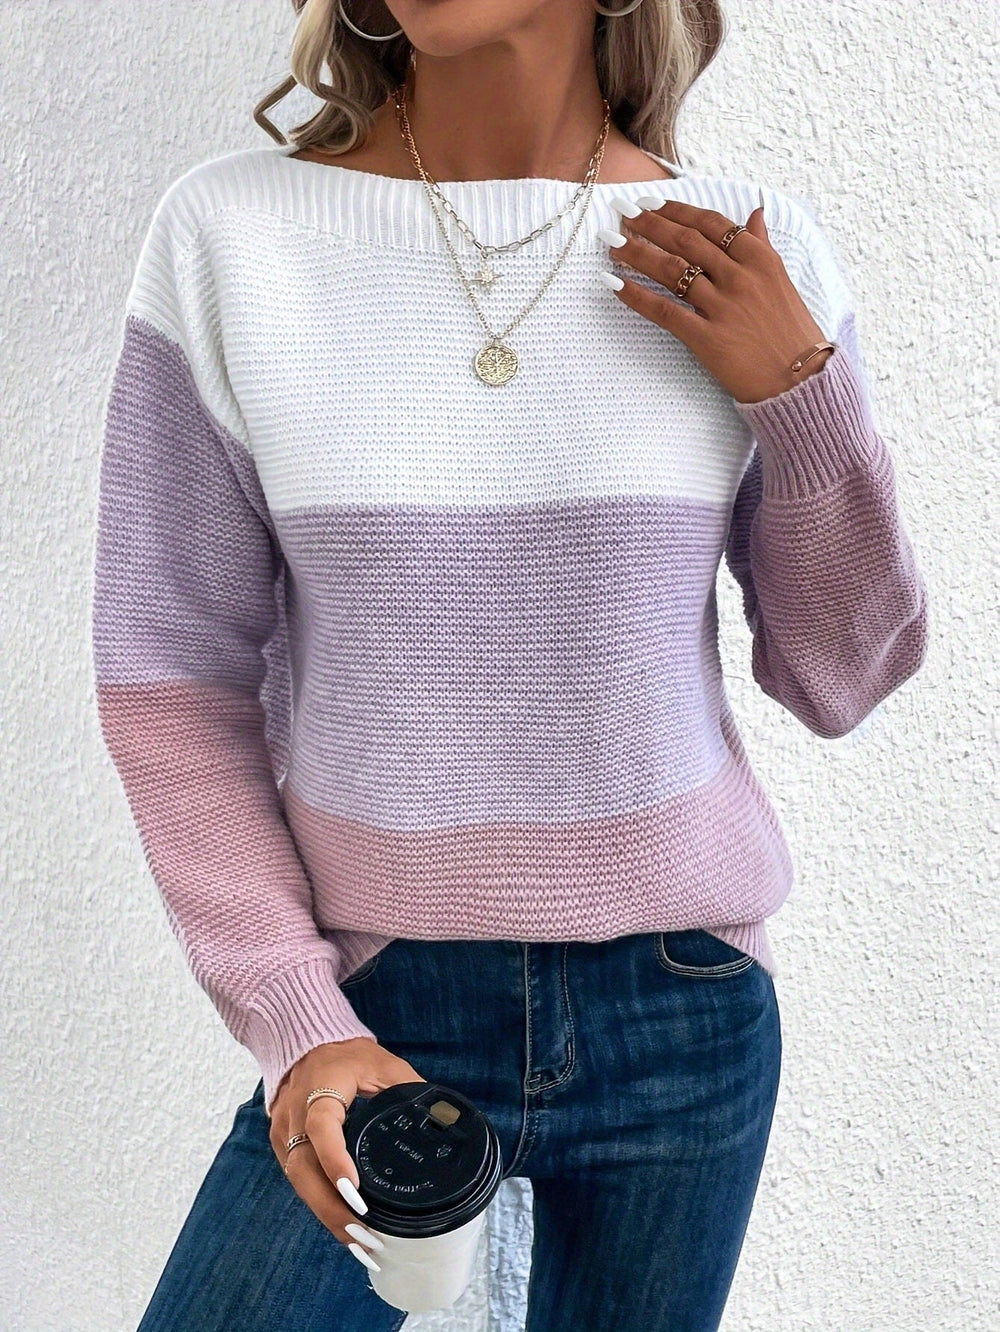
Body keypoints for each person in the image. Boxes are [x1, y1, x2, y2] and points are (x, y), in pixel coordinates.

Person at [91, 0, 929, 1328]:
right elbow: (170, 679)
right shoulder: (233, 238)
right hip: (375, 1003)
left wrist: (800, 396)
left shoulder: (740, 254)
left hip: (683, 1014)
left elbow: (843, 677)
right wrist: (294, 1014)